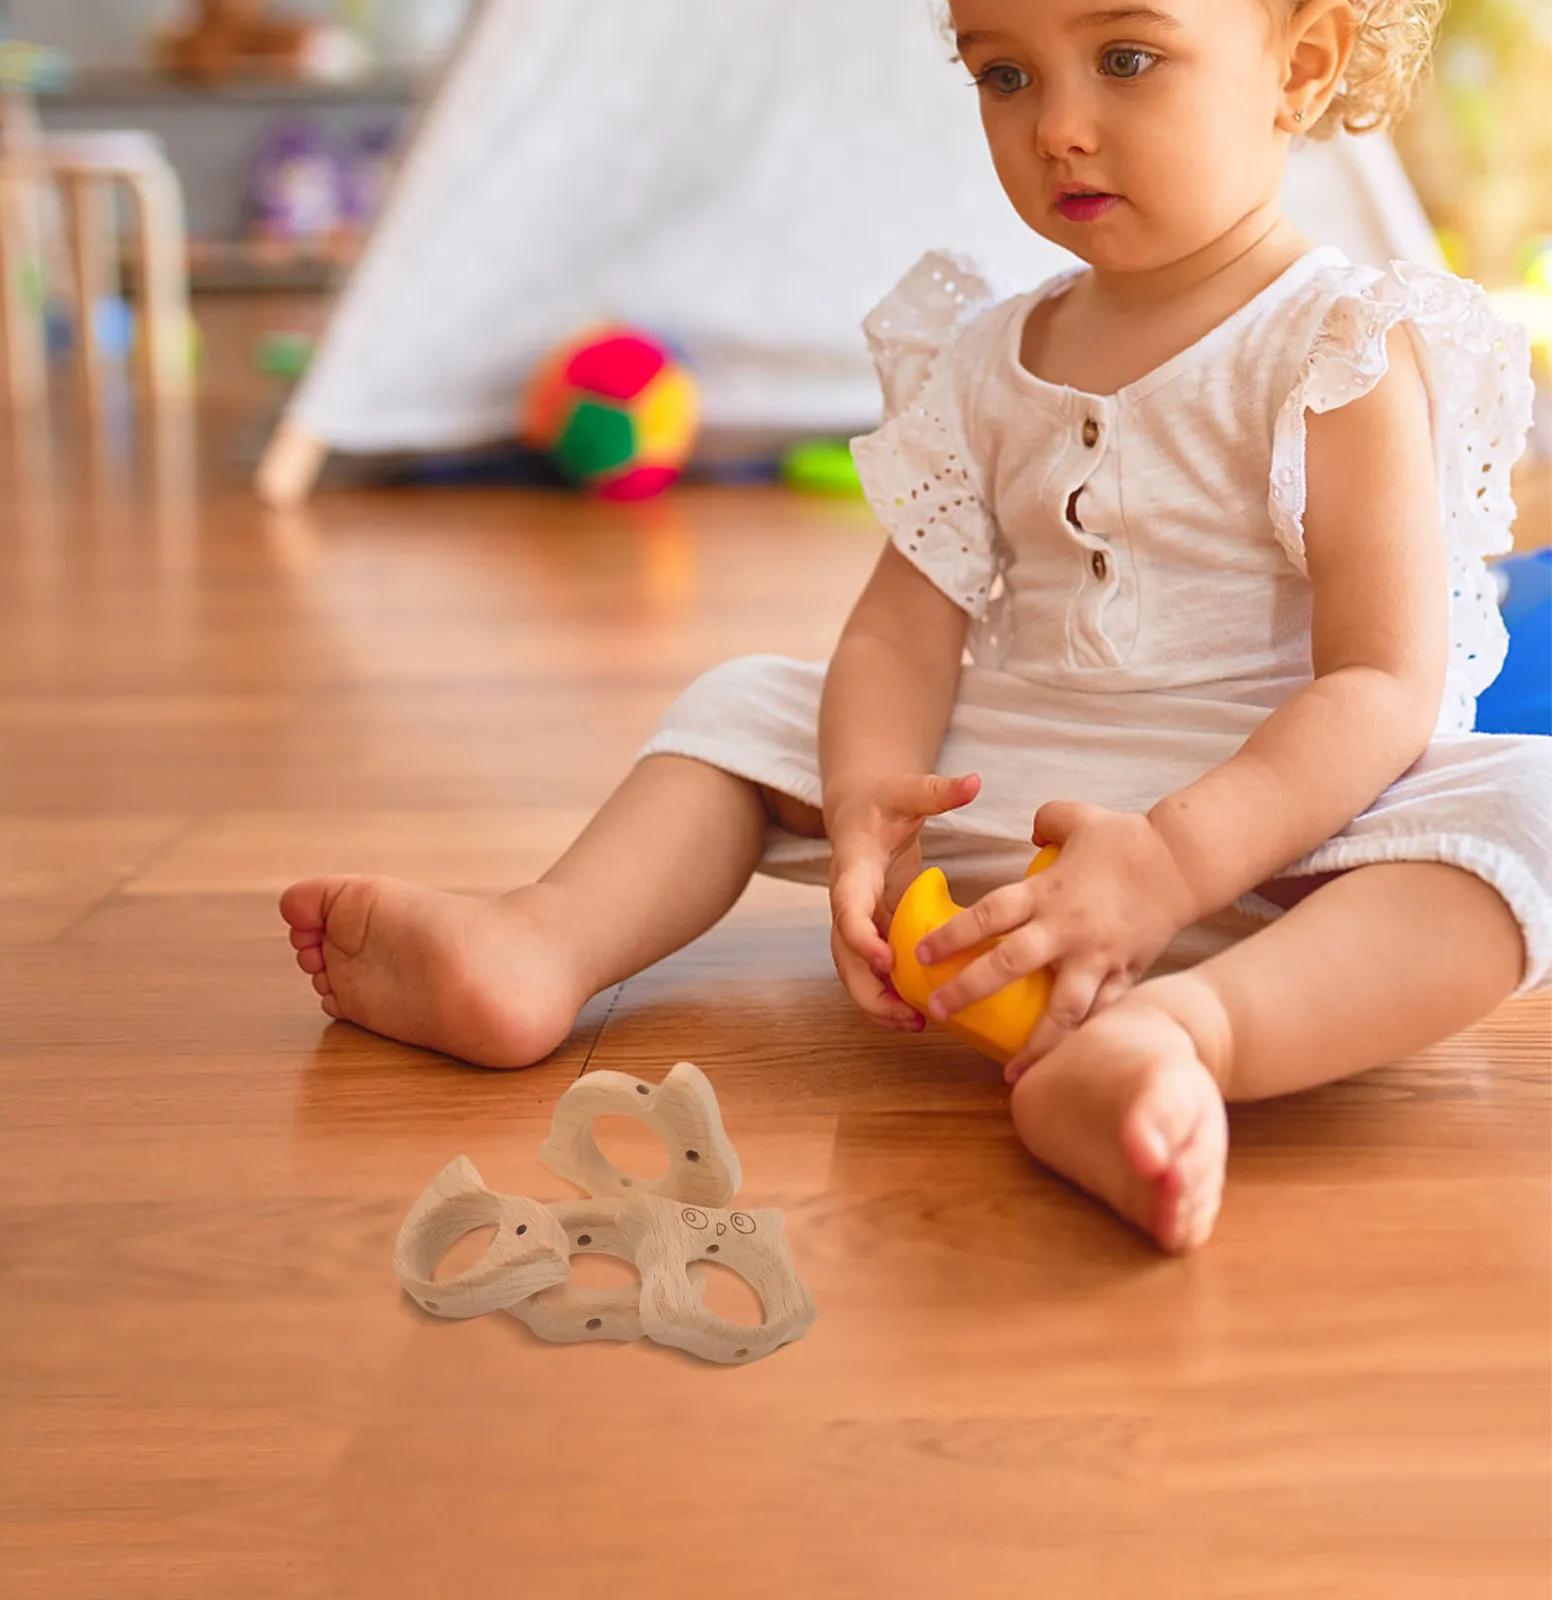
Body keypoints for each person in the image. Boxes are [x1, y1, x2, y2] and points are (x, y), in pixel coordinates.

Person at [282, 0, 1550, 1254]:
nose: (1057, 127)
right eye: (1002, 75)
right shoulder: (990, 349)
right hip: (1012, 809)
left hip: (1281, 841)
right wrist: (866, 799)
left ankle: (1181, 1036)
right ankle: (540, 942)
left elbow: (1383, 682)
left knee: (1527, 810)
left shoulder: (1339, 344)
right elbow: (901, 626)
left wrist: (1172, 861)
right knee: (749, 703)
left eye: (1124, 59)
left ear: (1304, 60)